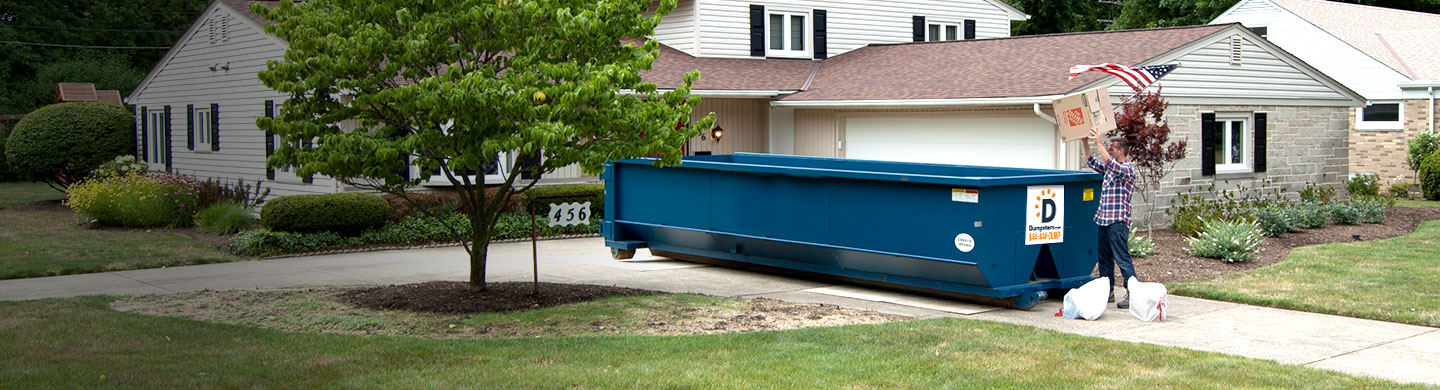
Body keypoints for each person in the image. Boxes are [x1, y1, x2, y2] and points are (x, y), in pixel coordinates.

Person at [1082, 126, 1137, 309]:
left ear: (1121, 151)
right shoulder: (1109, 170)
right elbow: (1091, 161)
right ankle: (1108, 292)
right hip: (1103, 219)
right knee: (1104, 259)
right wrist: (1085, 142)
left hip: (1118, 221)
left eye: (1112, 148)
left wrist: (1098, 142)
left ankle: (1133, 293)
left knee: (1122, 258)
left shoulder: (1127, 170)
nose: (1109, 150)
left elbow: (1111, 164)